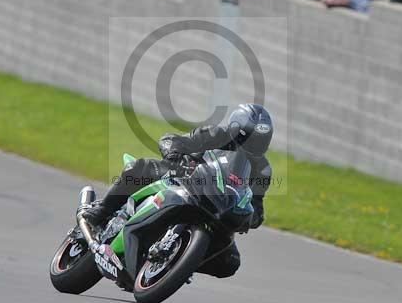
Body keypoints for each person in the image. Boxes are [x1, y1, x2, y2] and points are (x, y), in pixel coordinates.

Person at [81, 104, 274, 279]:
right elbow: (172, 140)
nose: (254, 145)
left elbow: (256, 205)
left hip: (219, 207)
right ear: (236, 131)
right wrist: (175, 154)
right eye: (251, 138)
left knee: (230, 262)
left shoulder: (262, 170)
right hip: (185, 178)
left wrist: (250, 218)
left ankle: (178, 260)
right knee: (138, 168)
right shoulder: (216, 135)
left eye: (260, 141)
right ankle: (102, 210)